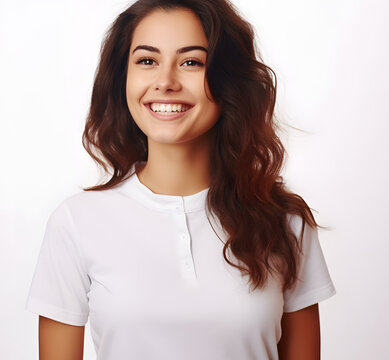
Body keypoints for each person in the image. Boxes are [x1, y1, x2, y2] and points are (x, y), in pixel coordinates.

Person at [26, 0, 336, 359]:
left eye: (191, 62)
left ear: (228, 79)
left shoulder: (285, 222)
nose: (166, 82)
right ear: (121, 78)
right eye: (147, 61)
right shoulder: (76, 223)